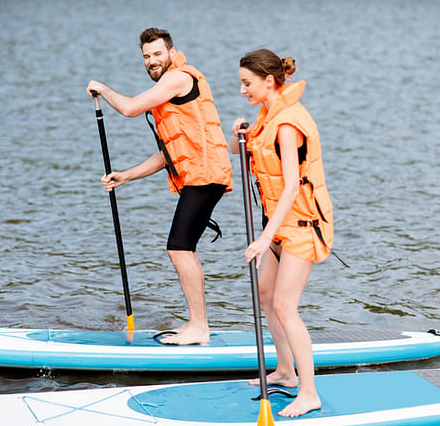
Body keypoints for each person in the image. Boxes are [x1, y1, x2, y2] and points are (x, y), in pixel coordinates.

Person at [87, 28, 233, 345]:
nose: (152, 61)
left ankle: (199, 327)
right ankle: (197, 323)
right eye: (146, 56)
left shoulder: (178, 78)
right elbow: (170, 153)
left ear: (171, 51)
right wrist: (126, 175)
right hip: (203, 176)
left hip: (205, 177)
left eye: (157, 54)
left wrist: (101, 87)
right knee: (181, 248)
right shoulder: (171, 88)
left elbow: (128, 108)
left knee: (180, 248)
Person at [230, 49, 334, 417]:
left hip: (304, 225)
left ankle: (309, 393)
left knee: (286, 305)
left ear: (269, 81)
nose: (242, 89)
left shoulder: (289, 123)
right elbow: (243, 156)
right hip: (280, 224)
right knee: (266, 294)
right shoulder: (265, 116)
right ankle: (286, 372)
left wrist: (262, 239)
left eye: (247, 83)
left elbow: (291, 187)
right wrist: (237, 135)